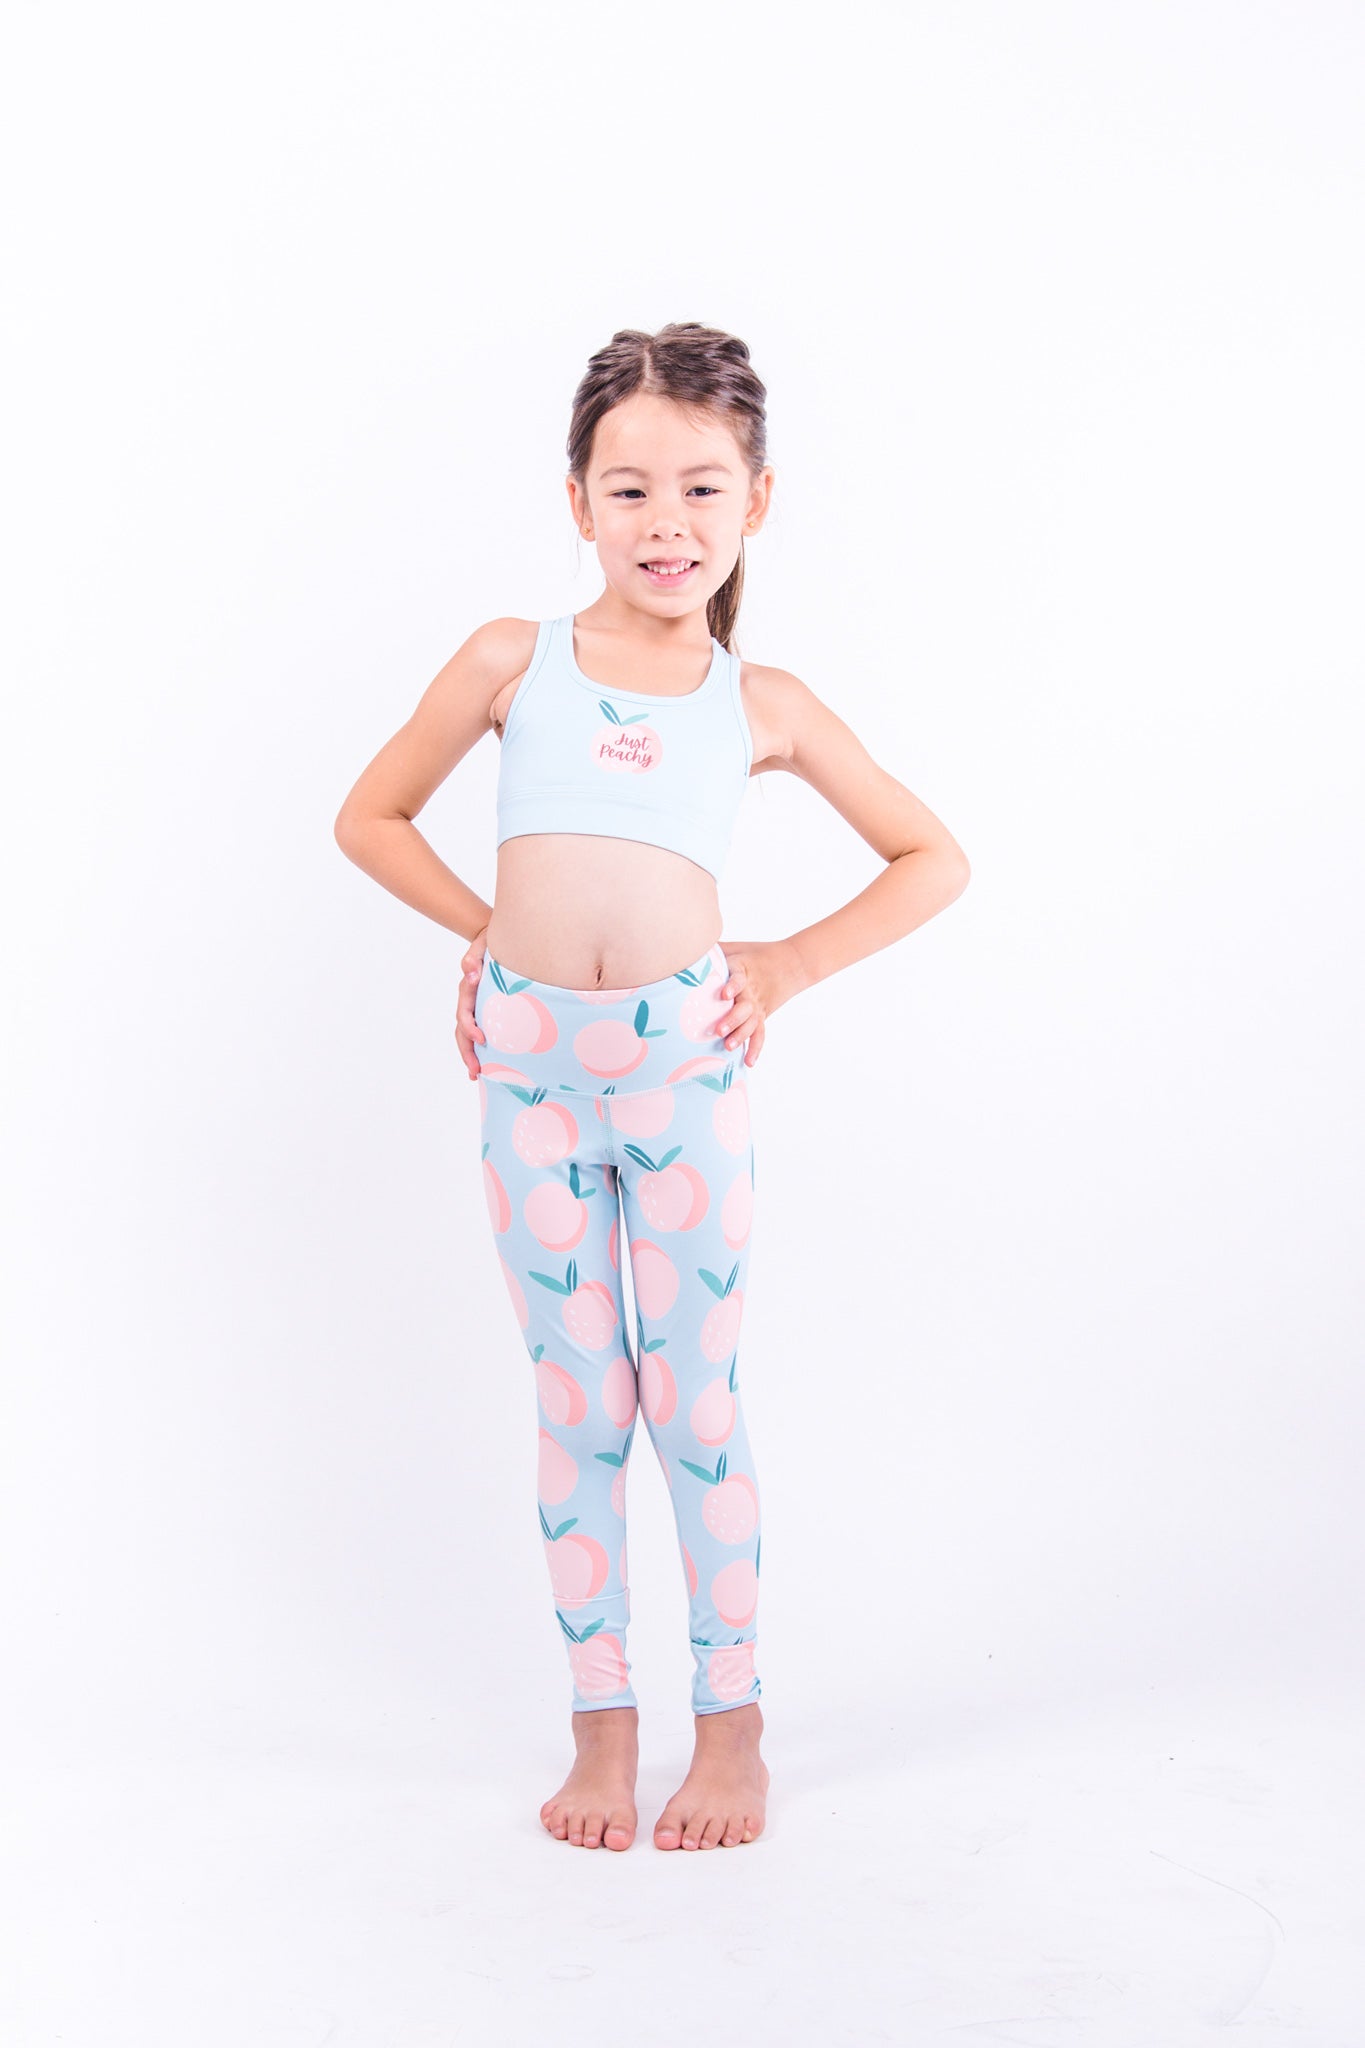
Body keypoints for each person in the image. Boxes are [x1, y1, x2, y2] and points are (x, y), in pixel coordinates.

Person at [334, 320, 971, 1855]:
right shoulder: (511, 660)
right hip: (530, 1083)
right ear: (577, 501)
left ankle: (730, 1726)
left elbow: (931, 857)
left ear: (757, 500)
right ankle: (602, 1727)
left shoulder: (764, 703)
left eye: (700, 488)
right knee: (581, 1404)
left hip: (682, 1076)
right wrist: (490, 931)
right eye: (628, 490)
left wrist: (788, 965)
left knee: (691, 1402)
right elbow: (371, 817)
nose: (664, 522)